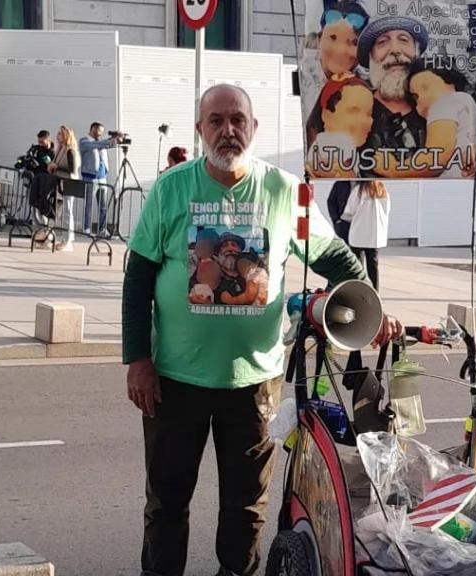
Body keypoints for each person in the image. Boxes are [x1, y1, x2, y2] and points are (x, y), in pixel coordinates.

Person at [122, 83, 401, 576]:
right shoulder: (171, 189)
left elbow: (332, 254)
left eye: (237, 120)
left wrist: (369, 307)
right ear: (200, 128)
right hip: (174, 379)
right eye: (216, 120)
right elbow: (139, 274)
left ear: (253, 128)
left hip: (254, 382)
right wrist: (137, 360)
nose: (228, 130)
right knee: (166, 503)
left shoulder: (284, 191)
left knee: (245, 505)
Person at [356, 16, 429, 177]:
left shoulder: (434, 111)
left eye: (404, 40)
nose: (395, 50)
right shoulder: (353, 111)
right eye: (382, 42)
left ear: (416, 53)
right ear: (370, 57)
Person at [407, 59, 476, 178]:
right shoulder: (466, 105)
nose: (421, 99)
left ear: (451, 83)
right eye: (415, 97)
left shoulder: (446, 101)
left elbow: (435, 159)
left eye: (426, 87)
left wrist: (390, 168)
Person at [305, 78, 375, 177]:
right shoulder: (341, 142)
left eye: (369, 113)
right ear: (326, 115)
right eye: (354, 111)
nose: (365, 121)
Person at [341, 180, 389, 290]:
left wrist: (345, 219)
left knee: (358, 265)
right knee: (373, 266)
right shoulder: (382, 190)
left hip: (359, 232)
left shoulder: (359, 190)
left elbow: (349, 211)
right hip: (375, 234)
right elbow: (387, 209)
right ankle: (375, 291)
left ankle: (360, 290)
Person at [79, 122, 118, 237]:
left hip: (102, 177)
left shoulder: (100, 142)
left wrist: (116, 138)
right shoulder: (84, 141)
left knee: (103, 205)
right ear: (92, 129)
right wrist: (107, 141)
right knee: (89, 204)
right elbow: (94, 145)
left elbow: (107, 144)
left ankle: (102, 229)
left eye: (102, 131)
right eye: (99, 131)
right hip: (90, 177)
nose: (101, 133)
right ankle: (86, 229)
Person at [48, 125, 81, 252]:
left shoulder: (70, 150)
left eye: (61, 134)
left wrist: (57, 167)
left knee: (68, 211)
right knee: (62, 212)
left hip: (69, 183)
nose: (58, 136)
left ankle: (68, 240)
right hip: (60, 182)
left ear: (66, 136)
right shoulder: (60, 149)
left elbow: (72, 170)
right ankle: (64, 238)